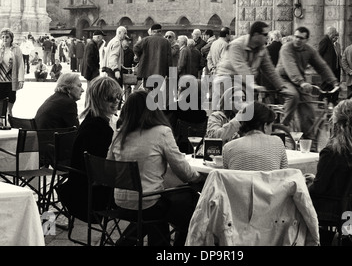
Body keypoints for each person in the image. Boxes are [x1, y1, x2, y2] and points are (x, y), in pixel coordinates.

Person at [108, 90, 203, 246]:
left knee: (158, 211)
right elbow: (182, 170)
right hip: (147, 202)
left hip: (120, 201)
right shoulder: (161, 132)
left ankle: (126, 243)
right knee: (189, 207)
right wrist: (198, 178)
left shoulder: (119, 134)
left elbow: (109, 165)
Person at [307, 99, 352, 244]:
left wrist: (305, 186)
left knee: (297, 198)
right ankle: (346, 237)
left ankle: (325, 239)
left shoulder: (332, 151)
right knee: (346, 199)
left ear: (334, 121)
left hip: (335, 208)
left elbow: (319, 188)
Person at [56, 76, 123, 223]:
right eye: (111, 98)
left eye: (119, 96)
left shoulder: (93, 121)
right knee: (153, 202)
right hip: (94, 197)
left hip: (86, 192)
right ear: (98, 99)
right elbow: (105, 170)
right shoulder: (98, 128)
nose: (116, 101)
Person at [276, 26, 339, 139]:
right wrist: (301, 82)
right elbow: (291, 66)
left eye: (301, 38)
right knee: (293, 95)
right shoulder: (286, 48)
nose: (298, 40)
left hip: (299, 81)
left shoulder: (309, 50)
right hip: (283, 79)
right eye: (296, 37)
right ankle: (283, 126)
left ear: (306, 40)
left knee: (308, 108)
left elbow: (321, 65)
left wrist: (334, 82)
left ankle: (309, 138)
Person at [215, 21, 286, 101]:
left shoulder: (262, 49)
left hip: (244, 83)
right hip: (227, 80)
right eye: (265, 34)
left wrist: (281, 86)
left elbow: (270, 69)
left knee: (254, 108)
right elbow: (240, 66)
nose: (268, 37)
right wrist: (252, 84)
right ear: (256, 35)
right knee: (239, 106)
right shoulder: (236, 45)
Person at [222, 101, 288, 171]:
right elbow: (284, 175)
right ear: (265, 126)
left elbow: (227, 177)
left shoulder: (228, 148)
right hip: (269, 182)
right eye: (271, 126)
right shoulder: (278, 143)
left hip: (241, 182)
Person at [133, 23, 171, 89]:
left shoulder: (146, 40)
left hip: (147, 71)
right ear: (160, 31)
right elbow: (169, 59)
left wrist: (141, 58)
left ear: (152, 31)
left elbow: (136, 48)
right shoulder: (166, 42)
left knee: (147, 91)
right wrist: (169, 73)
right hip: (160, 71)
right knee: (157, 91)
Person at [0, 28, 24, 115]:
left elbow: (21, 64)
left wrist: (21, 79)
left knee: (11, 97)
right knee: (1, 97)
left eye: (7, 37)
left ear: (11, 38)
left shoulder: (16, 49)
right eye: (2, 37)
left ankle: (10, 113)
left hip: (11, 78)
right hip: (1, 78)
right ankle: (2, 116)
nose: (4, 39)